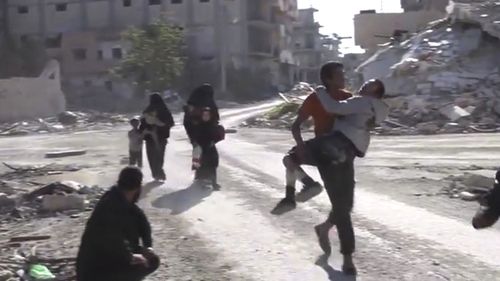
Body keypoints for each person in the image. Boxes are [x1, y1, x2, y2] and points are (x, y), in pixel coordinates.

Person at [309, 79, 389, 275]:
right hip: (349, 154)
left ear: (375, 92)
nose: (364, 85)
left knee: (342, 206)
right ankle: (340, 247)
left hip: (332, 152)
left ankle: (341, 249)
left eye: (369, 85)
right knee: (345, 205)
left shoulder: (361, 102)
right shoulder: (380, 108)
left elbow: (331, 107)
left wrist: (319, 89)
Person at [279, 62, 352, 207]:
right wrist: (301, 146)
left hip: (338, 150)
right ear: (328, 79)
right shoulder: (315, 99)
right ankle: (303, 188)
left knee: (340, 198)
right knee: (289, 160)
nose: (344, 78)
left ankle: (294, 197)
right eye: (340, 75)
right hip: (322, 149)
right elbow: (296, 126)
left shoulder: (348, 97)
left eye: (343, 74)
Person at [76, 167, 160, 281]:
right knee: (144, 264)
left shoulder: (121, 199)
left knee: (152, 259)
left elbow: (143, 224)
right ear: (138, 187)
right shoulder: (110, 205)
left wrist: (148, 246)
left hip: (111, 258)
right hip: (95, 269)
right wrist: (130, 257)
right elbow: (112, 240)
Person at [140, 93, 174, 181]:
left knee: (151, 156)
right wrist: (161, 125)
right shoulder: (165, 110)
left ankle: (156, 174)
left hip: (150, 138)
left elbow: (142, 125)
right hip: (162, 138)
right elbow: (171, 123)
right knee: (160, 156)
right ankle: (159, 172)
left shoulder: (147, 111)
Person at [190, 107, 224, 189]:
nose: (205, 117)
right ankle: (202, 180)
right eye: (204, 115)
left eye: (207, 115)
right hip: (200, 147)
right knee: (201, 163)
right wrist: (195, 144)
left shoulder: (213, 125)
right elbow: (194, 136)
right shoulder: (198, 125)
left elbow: (217, 136)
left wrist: (214, 141)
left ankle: (214, 182)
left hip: (210, 147)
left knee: (213, 164)